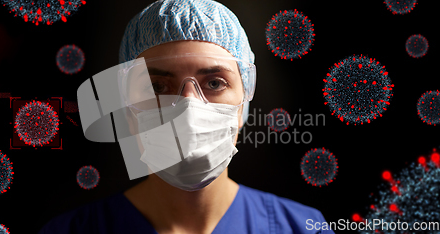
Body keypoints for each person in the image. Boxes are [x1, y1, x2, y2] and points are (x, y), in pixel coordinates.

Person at [39, 0, 334, 233]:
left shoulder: (302, 228)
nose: (188, 107)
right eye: (157, 87)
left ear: (243, 103)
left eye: (215, 83)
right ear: (128, 107)